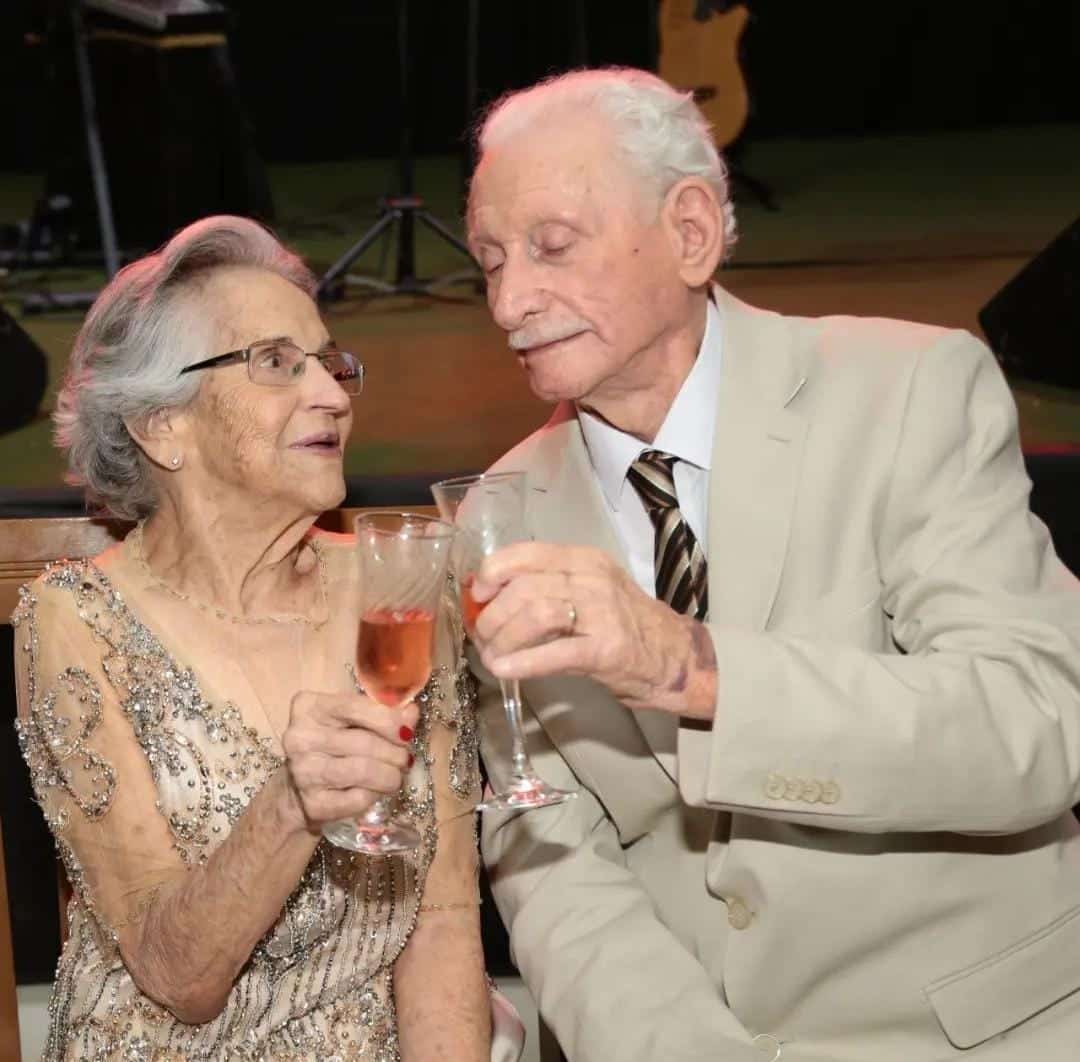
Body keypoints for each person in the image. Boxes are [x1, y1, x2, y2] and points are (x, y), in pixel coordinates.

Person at [463, 67, 1080, 1061]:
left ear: (691, 232)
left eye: (552, 247)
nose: (510, 302)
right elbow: (549, 854)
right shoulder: (495, 515)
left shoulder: (907, 390)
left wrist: (692, 669)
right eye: (489, 261)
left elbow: (1036, 725)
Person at [12, 216, 522, 1061]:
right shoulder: (78, 621)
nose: (333, 395)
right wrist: (291, 806)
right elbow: (176, 978)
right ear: (161, 424)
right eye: (277, 363)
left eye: (329, 362)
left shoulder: (399, 590)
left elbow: (441, 919)